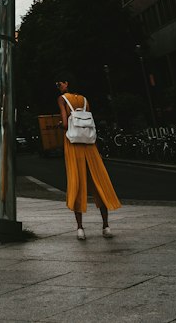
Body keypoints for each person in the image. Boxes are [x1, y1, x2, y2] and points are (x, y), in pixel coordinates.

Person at [56, 78, 120, 239]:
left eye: (60, 83)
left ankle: (80, 229)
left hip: (73, 145)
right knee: (99, 182)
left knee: (77, 182)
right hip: (90, 145)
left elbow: (65, 124)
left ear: (67, 83)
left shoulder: (62, 99)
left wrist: (59, 124)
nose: (58, 86)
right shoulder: (84, 100)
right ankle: (106, 226)